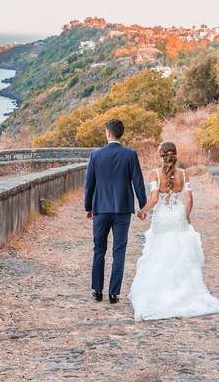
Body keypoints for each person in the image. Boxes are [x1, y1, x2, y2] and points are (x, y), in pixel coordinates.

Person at [128, 141, 219, 321]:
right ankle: (182, 291)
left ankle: (160, 291)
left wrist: (143, 211)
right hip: (178, 216)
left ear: (161, 155)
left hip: (162, 218)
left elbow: (155, 198)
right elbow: (188, 198)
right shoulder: (184, 174)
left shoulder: (154, 174)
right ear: (175, 154)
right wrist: (187, 215)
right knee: (180, 253)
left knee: (160, 253)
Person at [84, 118, 147, 303]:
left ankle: (97, 290)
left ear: (108, 133)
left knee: (99, 250)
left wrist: (88, 207)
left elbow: (89, 185)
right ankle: (113, 293)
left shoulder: (96, 155)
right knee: (119, 251)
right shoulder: (130, 155)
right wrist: (142, 206)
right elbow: (138, 183)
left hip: (100, 210)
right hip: (122, 209)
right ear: (120, 134)